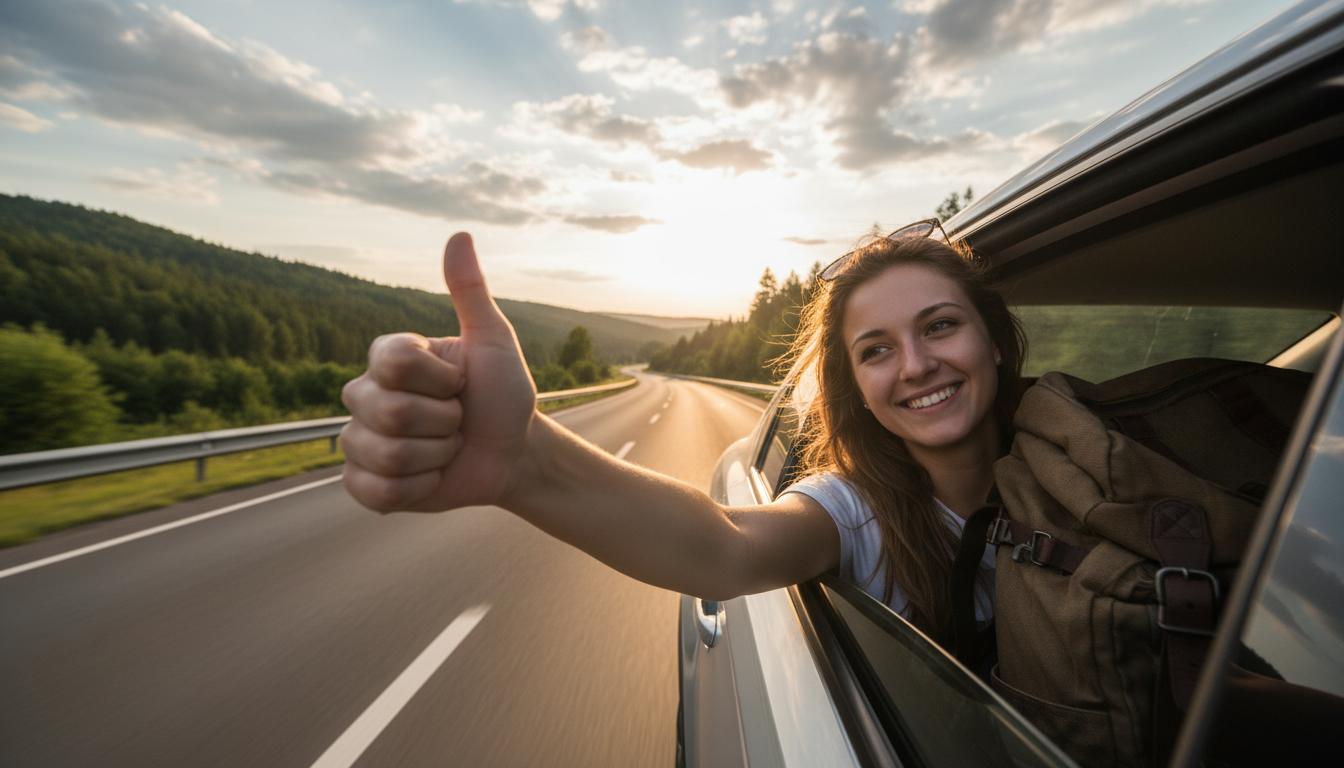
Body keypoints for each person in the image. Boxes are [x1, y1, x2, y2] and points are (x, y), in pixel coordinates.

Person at [339, 226, 1025, 638]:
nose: (914, 365)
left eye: (939, 326)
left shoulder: (1099, 468)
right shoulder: (853, 514)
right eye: (875, 350)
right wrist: (525, 461)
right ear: (860, 394)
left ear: (993, 340)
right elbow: (723, 546)